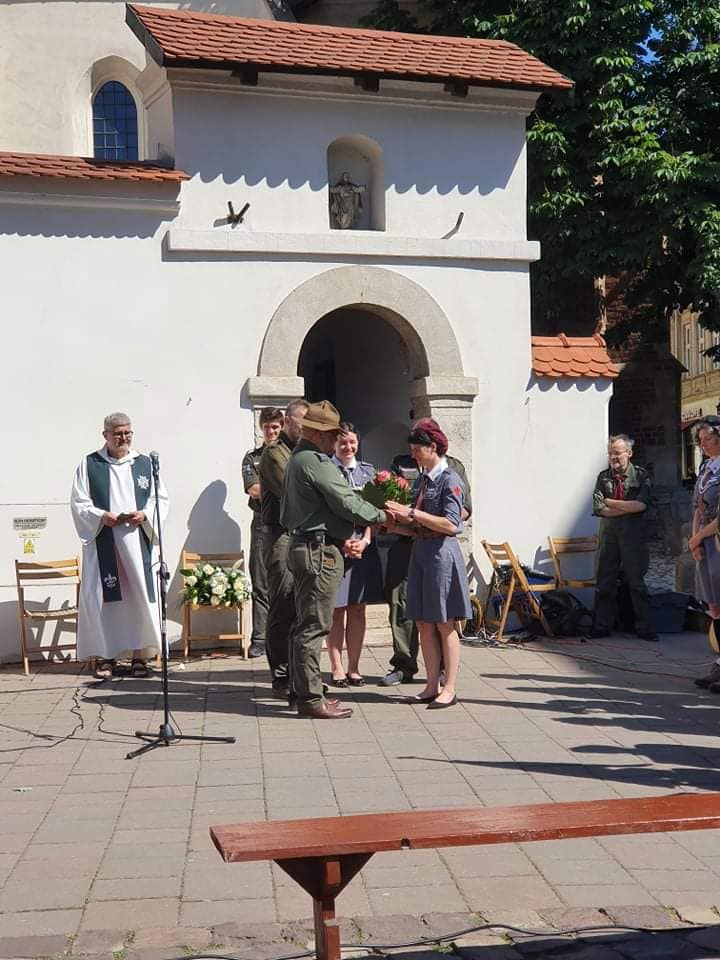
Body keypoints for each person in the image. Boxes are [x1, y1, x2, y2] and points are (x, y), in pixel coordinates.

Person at [280, 401, 387, 719]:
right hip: (319, 550)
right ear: (316, 433)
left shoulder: (299, 458)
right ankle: (311, 699)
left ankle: (303, 690)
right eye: (331, 434)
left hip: (306, 545)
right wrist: (383, 515)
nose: (335, 440)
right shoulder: (315, 461)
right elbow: (346, 500)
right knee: (314, 626)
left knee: (303, 624)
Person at [70, 413, 169, 679]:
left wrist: (145, 515)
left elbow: (160, 499)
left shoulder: (144, 463)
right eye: (117, 433)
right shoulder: (90, 464)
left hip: (137, 545)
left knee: (138, 598)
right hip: (105, 542)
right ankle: (107, 658)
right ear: (105, 435)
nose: (123, 438)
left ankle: (140, 657)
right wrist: (102, 516)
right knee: (105, 599)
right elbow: (79, 502)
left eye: (127, 433)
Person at [385, 421, 471, 708]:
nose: (413, 455)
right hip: (421, 551)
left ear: (433, 447)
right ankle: (432, 684)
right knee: (423, 622)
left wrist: (411, 513)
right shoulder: (424, 480)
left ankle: (450, 687)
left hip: (441, 555)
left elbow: (451, 524)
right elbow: (418, 524)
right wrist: (394, 524)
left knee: (444, 623)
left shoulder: (450, 479)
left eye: (417, 449)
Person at [258, 398, 308, 698]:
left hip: (303, 535)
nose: (308, 427)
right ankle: (281, 676)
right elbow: (293, 491)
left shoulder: (306, 452)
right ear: (288, 421)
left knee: (302, 605)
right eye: (303, 421)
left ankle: (301, 674)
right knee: (283, 602)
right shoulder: (275, 452)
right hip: (281, 535)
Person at [327, 422, 384, 687]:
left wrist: (366, 540)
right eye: (342, 442)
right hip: (336, 547)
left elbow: (375, 511)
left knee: (358, 609)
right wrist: (342, 542)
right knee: (336, 610)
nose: (348, 447)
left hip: (363, 548)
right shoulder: (326, 470)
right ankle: (337, 667)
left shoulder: (368, 472)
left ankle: (354, 667)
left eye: (352, 442)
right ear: (334, 444)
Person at [589, 434, 657, 641]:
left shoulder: (641, 475)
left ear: (629, 453)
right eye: (610, 453)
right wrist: (627, 508)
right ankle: (602, 626)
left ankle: (644, 628)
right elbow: (598, 508)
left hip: (633, 537)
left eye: (617, 453)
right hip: (609, 536)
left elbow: (641, 505)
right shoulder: (603, 477)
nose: (613, 457)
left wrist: (611, 502)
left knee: (636, 583)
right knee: (605, 582)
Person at [242, 407, 283, 658]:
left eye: (275, 427)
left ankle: (286, 636)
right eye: (267, 427)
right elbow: (254, 489)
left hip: (288, 523)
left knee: (288, 581)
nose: (271, 431)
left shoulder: (292, 455)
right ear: (261, 428)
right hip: (262, 522)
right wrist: (283, 491)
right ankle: (260, 638)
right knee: (260, 580)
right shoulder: (252, 458)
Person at [689, 418, 720, 690]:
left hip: (718, 539)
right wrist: (695, 540)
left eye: (707, 439)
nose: (703, 444)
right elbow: (698, 507)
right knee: (714, 606)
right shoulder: (706, 468)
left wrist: (700, 536)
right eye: (700, 441)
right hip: (705, 541)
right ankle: (718, 663)